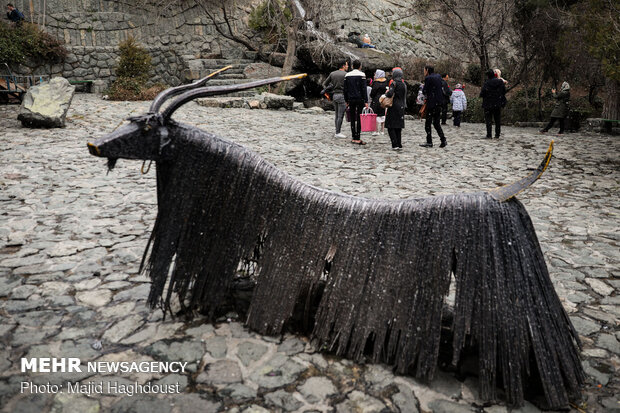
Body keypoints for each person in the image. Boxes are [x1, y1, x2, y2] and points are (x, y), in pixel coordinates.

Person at [420, 65, 447, 148]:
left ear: (427, 70)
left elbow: (425, 90)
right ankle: (443, 139)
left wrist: (423, 88)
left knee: (428, 123)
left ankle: (429, 141)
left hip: (431, 103)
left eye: (424, 70)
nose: (424, 72)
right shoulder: (438, 77)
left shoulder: (428, 78)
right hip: (439, 103)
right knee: (436, 123)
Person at [343, 60, 368, 145]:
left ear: (352, 66)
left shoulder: (347, 75)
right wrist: (366, 101)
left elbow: (345, 89)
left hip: (351, 99)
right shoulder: (362, 75)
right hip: (360, 99)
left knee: (352, 118)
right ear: (360, 66)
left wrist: (346, 100)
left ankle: (353, 136)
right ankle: (358, 136)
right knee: (359, 117)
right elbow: (364, 89)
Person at [323, 60, 349, 138]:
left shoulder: (332, 74)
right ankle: (338, 132)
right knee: (340, 115)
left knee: (337, 115)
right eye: (347, 65)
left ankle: (337, 131)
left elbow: (324, 84)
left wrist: (329, 91)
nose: (347, 66)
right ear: (343, 66)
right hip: (342, 96)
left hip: (334, 95)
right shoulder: (346, 75)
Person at [384, 67, 407, 150]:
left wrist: (386, 93)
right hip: (401, 106)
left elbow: (390, 94)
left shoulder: (394, 83)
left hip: (394, 106)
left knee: (390, 126)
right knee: (398, 126)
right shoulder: (403, 84)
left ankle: (394, 144)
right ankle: (399, 143)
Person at [480, 69, 507, 139]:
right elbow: (504, 91)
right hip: (497, 103)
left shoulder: (486, 83)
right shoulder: (500, 82)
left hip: (488, 104)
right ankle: (497, 134)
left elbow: (482, 93)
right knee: (497, 120)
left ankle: (489, 134)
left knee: (488, 120)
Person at [370, 69, 389, 135]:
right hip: (384, 99)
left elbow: (373, 93)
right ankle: (382, 130)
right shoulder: (386, 82)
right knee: (383, 114)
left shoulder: (375, 83)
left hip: (376, 100)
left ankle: (376, 130)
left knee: (376, 115)